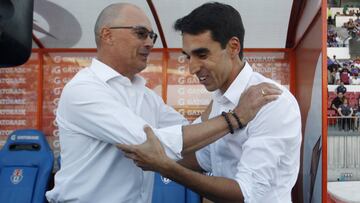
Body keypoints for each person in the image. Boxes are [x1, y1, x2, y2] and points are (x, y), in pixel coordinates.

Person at [45, 3, 281, 203]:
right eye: (140, 33)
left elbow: (188, 133)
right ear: (107, 35)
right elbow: (151, 145)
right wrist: (235, 117)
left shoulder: (143, 94)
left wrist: (224, 91)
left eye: (152, 36)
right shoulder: (84, 90)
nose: (150, 42)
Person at [118, 2, 302, 203]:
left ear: (233, 47)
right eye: (188, 56)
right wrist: (142, 154)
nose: (192, 68)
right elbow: (202, 158)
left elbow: (245, 194)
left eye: (202, 54)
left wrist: (164, 166)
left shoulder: (272, 101)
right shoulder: (220, 100)